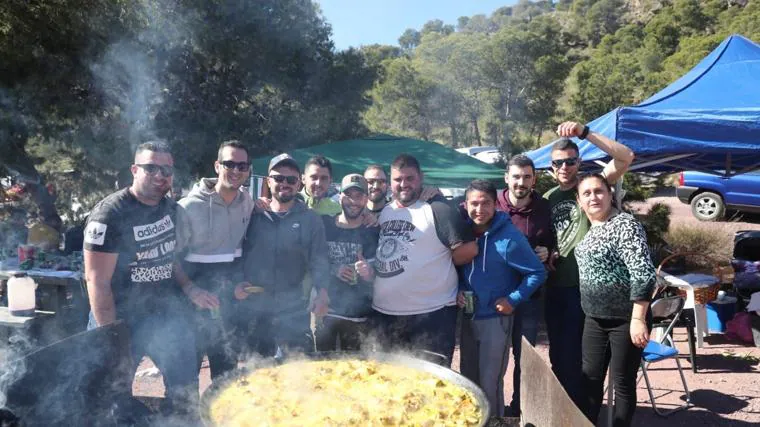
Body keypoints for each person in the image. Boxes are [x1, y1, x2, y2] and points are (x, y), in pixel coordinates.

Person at [83, 141, 198, 412]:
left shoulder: (170, 208)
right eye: (151, 168)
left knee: (185, 388)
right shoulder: (109, 214)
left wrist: (189, 287)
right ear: (134, 170)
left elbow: (168, 257)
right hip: (118, 318)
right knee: (111, 392)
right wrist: (111, 339)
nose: (161, 175)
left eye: (167, 169)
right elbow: (97, 282)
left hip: (163, 314)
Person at [543, 121, 634, 408]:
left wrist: (585, 133)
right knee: (558, 355)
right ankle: (568, 410)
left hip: (586, 290)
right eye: (558, 163)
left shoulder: (591, 187)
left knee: (583, 362)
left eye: (570, 161)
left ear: (578, 161)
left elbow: (625, 157)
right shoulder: (547, 198)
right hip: (555, 287)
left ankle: (580, 413)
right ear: (551, 167)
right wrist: (548, 252)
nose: (565, 167)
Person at [373, 154, 478, 361]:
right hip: (386, 314)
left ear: (421, 177)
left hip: (431, 314)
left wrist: (443, 271)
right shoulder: (385, 211)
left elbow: (470, 250)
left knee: (432, 382)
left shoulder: (438, 208)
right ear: (390, 182)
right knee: (390, 382)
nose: (404, 184)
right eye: (398, 179)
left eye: (410, 178)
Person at [458, 179, 546, 418]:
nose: (479, 209)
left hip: (495, 320)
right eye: (474, 204)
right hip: (467, 316)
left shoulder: (509, 237)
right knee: (467, 377)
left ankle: (494, 421)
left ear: (496, 204)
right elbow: (456, 268)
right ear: (465, 205)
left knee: (490, 380)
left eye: (485, 203)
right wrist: (457, 290)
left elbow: (537, 272)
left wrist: (513, 299)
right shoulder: (463, 232)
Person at [574, 173, 655, 427]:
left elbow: (643, 273)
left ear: (611, 195)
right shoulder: (588, 229)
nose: (593, 197)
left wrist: (638, 319)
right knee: (590, 379)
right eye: (586, 193)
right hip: (594, 319)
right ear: (579, 201)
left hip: (626, 319)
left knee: (622, 383)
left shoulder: (624, 225)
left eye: (599, 191)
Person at [174, 140, 254, 380]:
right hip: (191, 305)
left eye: (243, 166)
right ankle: (185, 419)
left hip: (229, 304)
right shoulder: (188, 207)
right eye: (230, 164)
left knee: (226, 377)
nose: (236, 171)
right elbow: (169, 258)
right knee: (186, 380)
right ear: (217, 166)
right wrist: (190, 289)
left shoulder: (248, 203)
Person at [236, 153, 330, 355]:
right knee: (258, 372)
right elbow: (236, 253)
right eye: (278, 178)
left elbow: (320, 259)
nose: (284, 183)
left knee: (299, 370)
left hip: (294, 306)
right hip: (256, 307)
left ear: (298, 184)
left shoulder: (311, 219)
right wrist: (237, 281)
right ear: (268, 182)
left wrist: (322, 292)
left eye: (290, 179)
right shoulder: (251, 214)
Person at [497, 154, 555, 417]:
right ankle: (492, 405)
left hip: (529, 295)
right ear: (506, 177)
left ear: (534, 179)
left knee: (525, 356)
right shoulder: (492, 203)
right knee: (493, 354)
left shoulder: (544, 207)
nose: (521, 182)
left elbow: (554, 241)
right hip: (495, 295)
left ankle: (520, 406)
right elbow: (464, 214)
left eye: (527, 177)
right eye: (516, 176)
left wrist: (548, 251)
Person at [315, 174, 379, 351]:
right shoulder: (324, 225)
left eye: (359, 196)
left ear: (366, 199)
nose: (354, 201)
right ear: (340, 196)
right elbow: (314, 262)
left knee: (355, 372)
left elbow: (378, 274)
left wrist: (368, 273)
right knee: (323, 369)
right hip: (326, 312)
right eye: (349, 195)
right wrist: (334, 269)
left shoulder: (373, 230)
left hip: (359, 317)